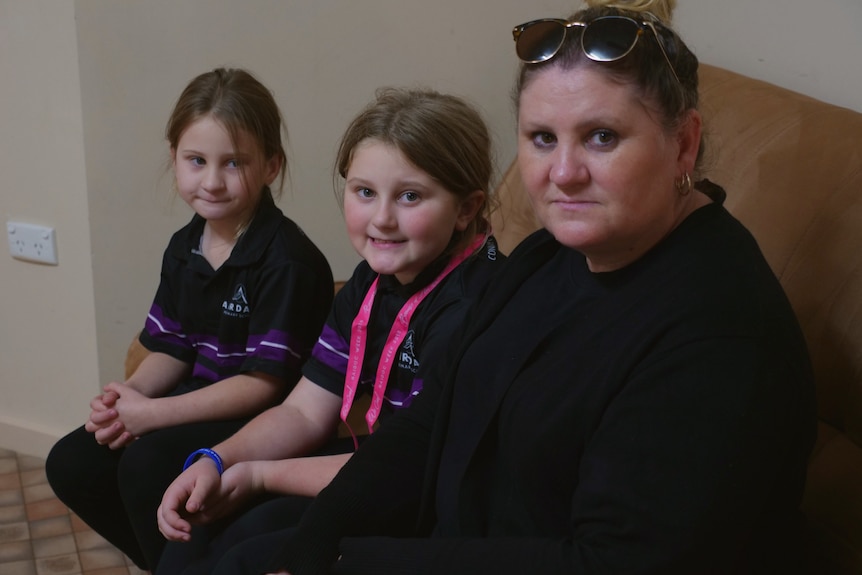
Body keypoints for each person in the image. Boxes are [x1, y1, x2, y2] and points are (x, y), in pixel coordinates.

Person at [260, 1, 818, 574]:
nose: (564, 173)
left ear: (683, 145)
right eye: (542, 138)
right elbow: (433, 416)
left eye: (602, 136)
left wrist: (343, 564)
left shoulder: (718, 336)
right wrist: (314, 545)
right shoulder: (547, 256)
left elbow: (611, 563)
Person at [154, 87, 505, 574]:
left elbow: (411, 471)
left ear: (466, 208)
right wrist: (216, 459)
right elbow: (302, 411)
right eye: (364, 192)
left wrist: (258, 475)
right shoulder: (370, 280)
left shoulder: (476, 307)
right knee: (199, 533)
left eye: (410, 196)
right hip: (372, 470)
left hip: (430, 504)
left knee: (239, 559)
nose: (381, 219)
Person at [45, 67, 334, 571]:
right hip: (194, 405)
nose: (212, 181)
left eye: (234, 163)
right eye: (196, 161)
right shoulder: (185, 246)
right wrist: (128, 397)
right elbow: (170, 346)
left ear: (270, 166)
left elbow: (263, 386)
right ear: (174, 158)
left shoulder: (287, 260)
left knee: (146, 463)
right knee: (72, 461)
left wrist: (154, 416)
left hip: (260, 421)